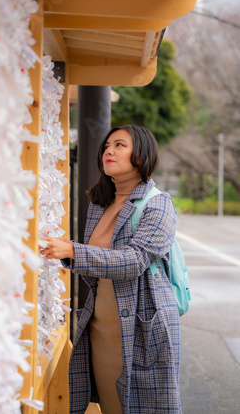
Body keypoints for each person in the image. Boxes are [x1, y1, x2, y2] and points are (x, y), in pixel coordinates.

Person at [40, 125, 181, 414]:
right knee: (111, 403)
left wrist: (73, 250)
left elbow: (134, 260)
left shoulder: (159, 204)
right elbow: (97, 266)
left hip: (142, 326)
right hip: (100, 327)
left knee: (143, 406)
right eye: (106, 146)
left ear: (141, 156)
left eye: (119, 145)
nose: (109, 150)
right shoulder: (99, 204)